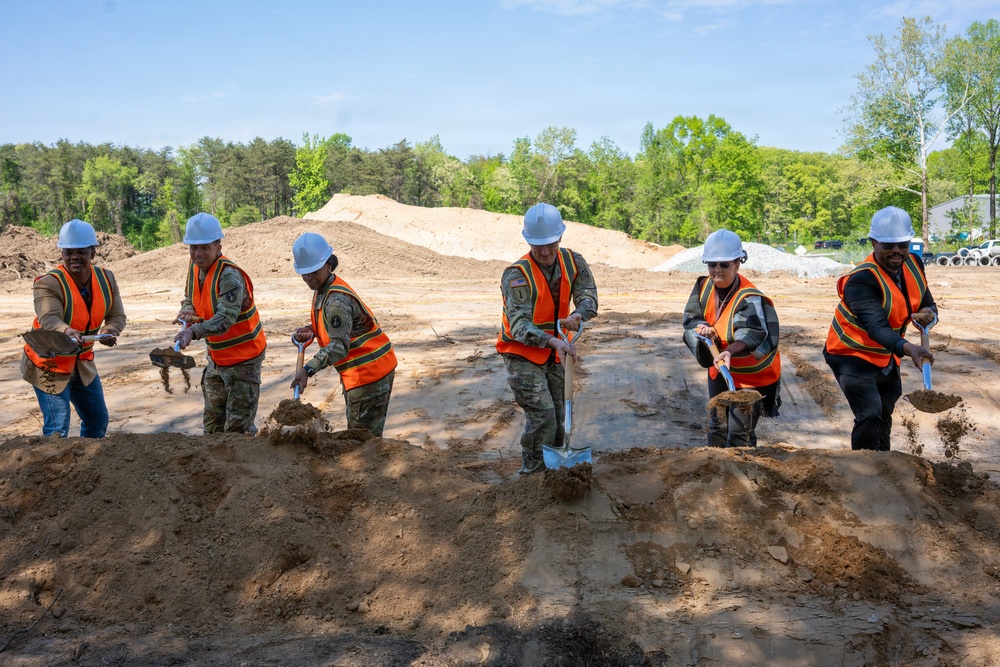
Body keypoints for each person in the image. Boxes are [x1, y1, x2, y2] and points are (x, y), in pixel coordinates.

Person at [496, 203, 599, 474]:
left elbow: (588, 296)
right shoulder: (517, 275)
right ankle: (532, 472)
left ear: (560, 237)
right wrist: (552, 340)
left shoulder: (573, 262)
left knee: (560, 416)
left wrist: (578, 314)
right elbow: (519, 324)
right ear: (528, 241)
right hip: (522, 354)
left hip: (555, 352)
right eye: (538, 245)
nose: (544, 251)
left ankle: (554, 472)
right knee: (543, 416)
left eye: (550, 244)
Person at [824, 206, 936, 451]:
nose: (897, 250)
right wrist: (910, 349)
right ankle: (865, 468)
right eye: (888, 245)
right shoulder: (861, 280)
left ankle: (883, 462)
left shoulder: (914, 263)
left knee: (885, 410)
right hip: (851, 353)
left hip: (886, 353)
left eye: (902, 244)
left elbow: (925, 300)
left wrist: (930, 313)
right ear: (874, 243)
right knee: (870, 412)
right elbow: (876, 327)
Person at [21, 219, 126, 438]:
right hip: (50, 363)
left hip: (82, 362)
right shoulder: (48, 283)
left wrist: (111, 330)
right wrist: (66, 331)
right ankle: (53, 461)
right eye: (68, 252)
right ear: (62, 254)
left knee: (97, 421)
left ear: (93, 252)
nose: (74, 257)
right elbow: (49, 318)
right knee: (57, 429)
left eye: (81, 252)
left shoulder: (106, 279)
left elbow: (117, 316)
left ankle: (89, 459)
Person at [290, 233, 397, 437]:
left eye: (313, 271)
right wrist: (313, 329)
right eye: (304, 273)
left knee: (362, 440)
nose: (308, 278)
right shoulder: (324, 287)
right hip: (364, 369)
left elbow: (339, 346)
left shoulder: (336, 300)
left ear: (329, 264)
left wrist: (307, 370)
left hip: (369, 373)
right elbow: (342, 325)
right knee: (360, 435)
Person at [682, 229, 781, 447]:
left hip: (752, 375)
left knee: (738, 433)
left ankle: (742, 467)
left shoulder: (749, 297)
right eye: (712, 264)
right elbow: (691, 318)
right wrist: (703, 328)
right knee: (718, 426)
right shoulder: (703, 286)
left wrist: (729, 351)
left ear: (737, 264)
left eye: (724, 264)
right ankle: (716, 467)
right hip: (720, 367)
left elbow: (752, 332)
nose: (717, 269)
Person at [173, 212, 267, 434]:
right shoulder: (195, 268)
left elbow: (226, 319)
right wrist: (187, 309)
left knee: (237, 430)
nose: (198, 253)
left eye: (204, 247)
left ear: (218, 247)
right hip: (217, 359)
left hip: (243, 361)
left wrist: (192, 332)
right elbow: (190, 296)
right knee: (213, 426)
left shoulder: (229, 276)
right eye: (193, 247)